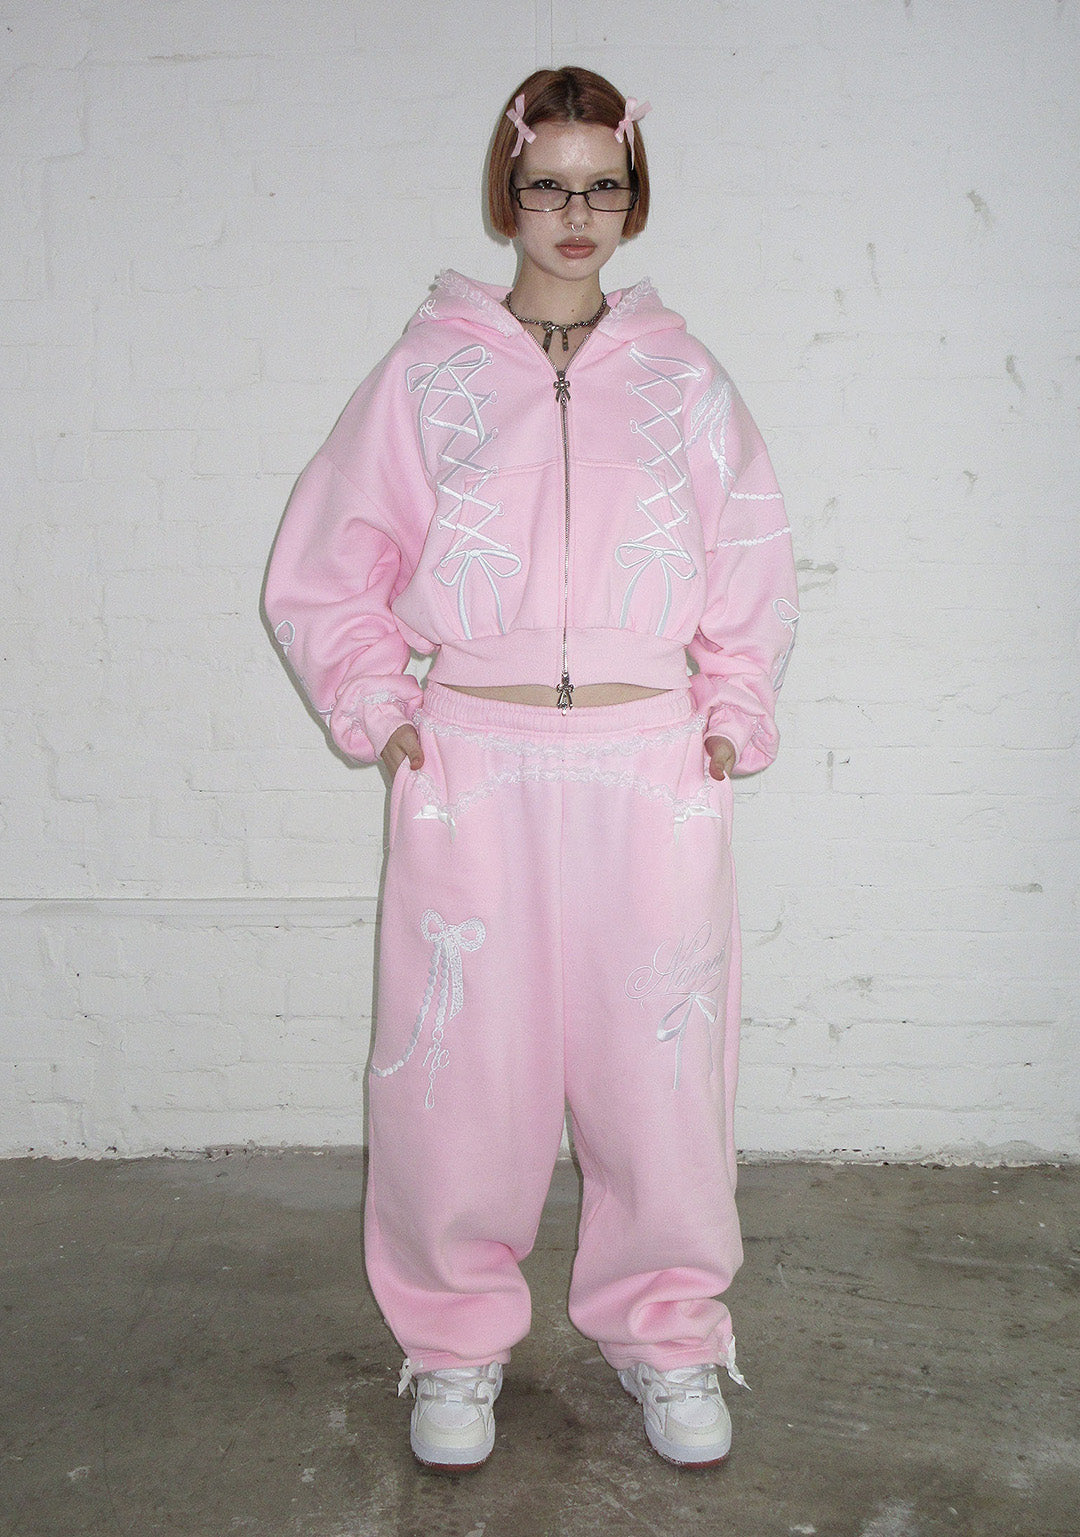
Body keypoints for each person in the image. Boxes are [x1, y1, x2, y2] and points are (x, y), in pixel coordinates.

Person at [264, 65, 797, 1473]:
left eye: (601, 186)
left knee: (660, 1070)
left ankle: (668, 1333)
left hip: (647, 758)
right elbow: (327, 561)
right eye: (549, 184)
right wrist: (379, 707)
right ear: (508, 194)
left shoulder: (682, 378)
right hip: (477, 758)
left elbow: (750, 558)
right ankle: (453, 1344)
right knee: (458, 1071)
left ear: (634, 201)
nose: (575, 212)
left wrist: (731, 708)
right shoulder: (429, 374)